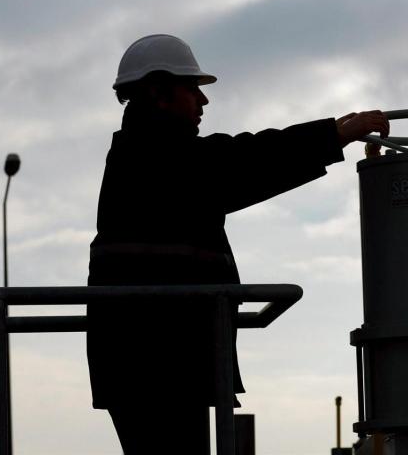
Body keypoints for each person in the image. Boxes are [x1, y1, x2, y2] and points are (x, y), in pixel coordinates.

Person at [86, 34, 388, 453]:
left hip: (155, 361)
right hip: (158, 363)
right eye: (193, 89)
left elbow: (230, 165)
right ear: (159, 91)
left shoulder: (145, 156)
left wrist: (329, 136)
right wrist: (333, 136)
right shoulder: (156, 159)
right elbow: (238, 162)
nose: (202, 102)